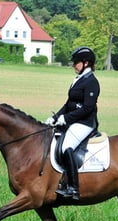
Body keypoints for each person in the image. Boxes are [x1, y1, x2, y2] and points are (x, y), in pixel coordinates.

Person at [45, 46, 100, 200]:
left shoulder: (92, 82)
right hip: (74, 121)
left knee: (66, 147)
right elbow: (69, 104)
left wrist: (67, 119)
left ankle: (73, 188)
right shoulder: (78, 79)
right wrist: (56, 117)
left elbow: (88, 108)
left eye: (76, 62)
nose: (74, 65)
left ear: (86, 63)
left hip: (85, 123)